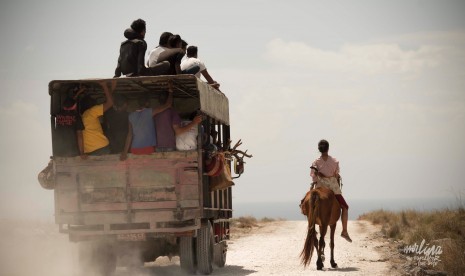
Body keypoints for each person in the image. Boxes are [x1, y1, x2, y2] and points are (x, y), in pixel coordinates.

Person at [310, 139, 352, 242]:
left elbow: (313, 177)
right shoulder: (335, 161)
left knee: (310, 205)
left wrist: (317, 179)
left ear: (319, 150)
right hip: (333, 188)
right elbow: (337, 174)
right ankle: (344, 231)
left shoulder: (315, 162)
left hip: (320, 188)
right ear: (328, 149)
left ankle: (312, 227)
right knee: (345, 207)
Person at [120, 85, 174, 160]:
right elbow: (168, 105)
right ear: (147, 103)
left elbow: (129, 135)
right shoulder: (149, 112)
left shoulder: (131, 115)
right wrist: (170, 91)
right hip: (148, 149)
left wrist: (124, 152)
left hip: (134, 148)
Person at [80, 80, 116, 158]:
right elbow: (110, 103)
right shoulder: (92, 111)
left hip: (88, 151)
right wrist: (104, 85)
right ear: (92, 105)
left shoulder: (80, 116)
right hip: (101, 147)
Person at [53, 86, 85, 157]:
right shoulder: (76, 116)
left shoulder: (59, 114)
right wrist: (82, 153)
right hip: (72, 150)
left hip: (60, 150)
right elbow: (79, 135)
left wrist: (78, 93)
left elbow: (70, 103)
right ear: (75, 106)